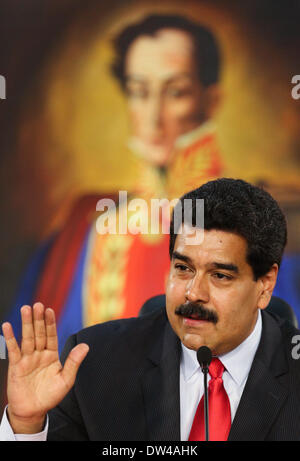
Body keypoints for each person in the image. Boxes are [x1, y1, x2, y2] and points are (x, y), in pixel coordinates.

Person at [1, 178, 300, 441]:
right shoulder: (95, 363)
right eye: (183, 268)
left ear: (265, 285)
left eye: (220, 275)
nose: (193, 293)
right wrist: (27, 426)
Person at [6, 13, 224, 352]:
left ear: (210, 100)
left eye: (176, 92)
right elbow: (37, 356)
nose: (154, 116)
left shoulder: (256, 225)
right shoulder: (89, 229)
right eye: (139, 91)